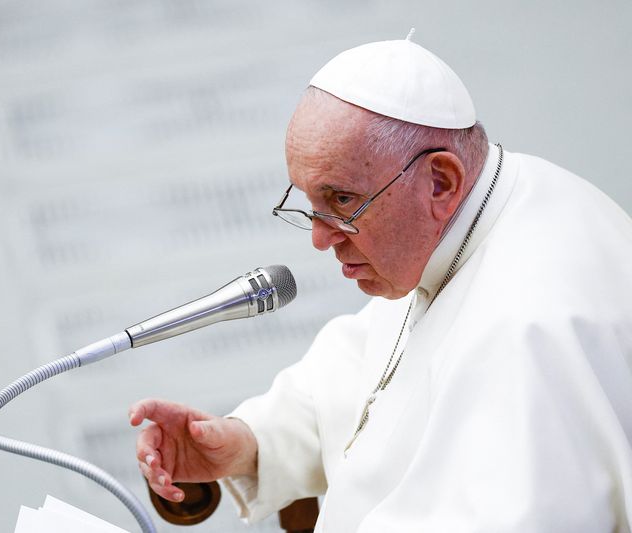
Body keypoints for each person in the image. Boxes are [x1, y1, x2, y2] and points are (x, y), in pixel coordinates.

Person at [129, 33, 632, 532]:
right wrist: (249, 441)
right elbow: (371, 373)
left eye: (343, 201)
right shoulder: (463, 223)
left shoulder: (533, 328)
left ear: (440, 181)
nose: (320, 240)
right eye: (310, 203)